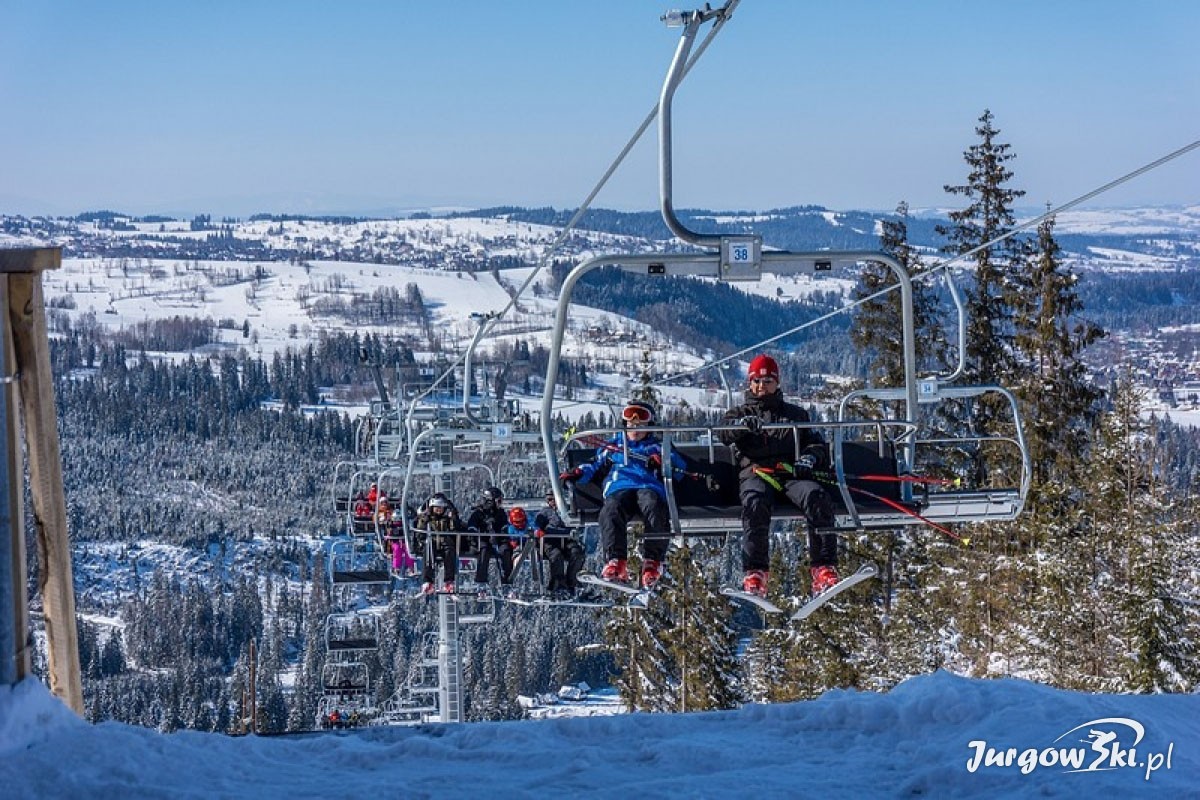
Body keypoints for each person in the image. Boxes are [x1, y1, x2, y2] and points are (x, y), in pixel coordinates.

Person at [719, 354, 838, 597]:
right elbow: (724, 433)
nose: (762, 386)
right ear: (750, 383)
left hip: (790, 473)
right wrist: (742, 426)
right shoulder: (739, 414)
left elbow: (815, 443)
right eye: (757, 381)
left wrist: (809, 458)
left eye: (767, 381)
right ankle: (755, 570)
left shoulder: (795, 415)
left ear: (777, 383)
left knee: (816, 496)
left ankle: (823, 566)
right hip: (757, 473)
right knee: (755, 503)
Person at [559, 400, 684, 589]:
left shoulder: (657, 446)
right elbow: (594, 463)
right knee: (611, 510)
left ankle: (652, 562)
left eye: (641, 425)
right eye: (631, 425)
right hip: (620, 486)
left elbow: (679, 467)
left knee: (654, 506)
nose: (635, 429)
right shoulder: (614, 446)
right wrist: (578, 472)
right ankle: (616, 561)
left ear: (649, 426)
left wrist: (663, 462)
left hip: (647, 486)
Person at [413, 492, 466, 595]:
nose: (438, 510)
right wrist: (424, 520)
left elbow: (454, 529)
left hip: (444, 542)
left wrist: (453, 517)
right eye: (436, 508)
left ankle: (449, 581)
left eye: (441, 508)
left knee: (450, 549)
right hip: (431, 542)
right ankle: (427, 581)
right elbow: (420, 531)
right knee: (429, 549)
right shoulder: (427, 518)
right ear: (431, 508)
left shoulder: (447, 519)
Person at [534, 493, 585, 596]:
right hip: (550, 541)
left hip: (567, 540)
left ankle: (572, 582)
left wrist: (576, 531)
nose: (552, 502)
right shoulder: (545, 512)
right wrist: (538, 531)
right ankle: (558, 585)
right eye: (549, 500)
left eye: (554, 499)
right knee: (556, 556)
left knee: (577, 554)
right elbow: (536, 525)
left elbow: (580, 523)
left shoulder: (569, 511)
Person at [466, 486, 515, 591]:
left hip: (498, 540)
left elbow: (504, 526)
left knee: (506, 550)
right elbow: (472, 527)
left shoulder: (500, 513)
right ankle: (481, 581)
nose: (500, 504)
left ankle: (508, 581)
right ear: (490, 501)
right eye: (498, 501)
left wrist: (501, 535)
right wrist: (476, 537)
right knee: (484, 550)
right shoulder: (479, 513)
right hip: (483, 540)